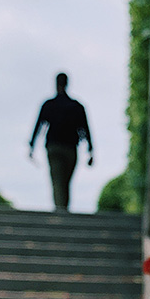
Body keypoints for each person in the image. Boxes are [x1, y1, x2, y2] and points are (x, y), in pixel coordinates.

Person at [29, 72, 94, 211]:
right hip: (71, 148)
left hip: (54, 146)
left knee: (57, 179)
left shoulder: (49, 105)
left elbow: (39, 126)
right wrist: (90, 149)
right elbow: (86, 129)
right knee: (65, 180)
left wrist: (32, 146)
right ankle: (63, 209)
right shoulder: (76, 106)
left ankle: (61, 209)